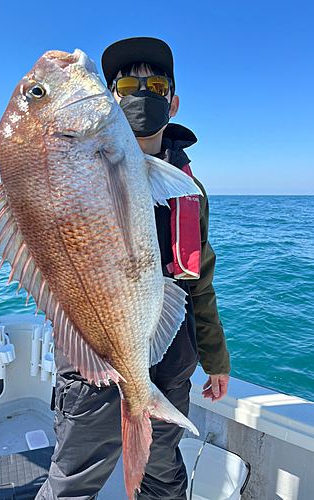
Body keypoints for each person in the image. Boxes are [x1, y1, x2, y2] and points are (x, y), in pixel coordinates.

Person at [36, 37, 230, 500]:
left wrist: (215, 359)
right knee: (73, 478)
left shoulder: (188, 186)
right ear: (109, 97)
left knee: (163, 476)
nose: (142, 92)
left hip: (170, 361)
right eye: (126, 83)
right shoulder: (73, 162)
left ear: (173, 100)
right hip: (93, 357)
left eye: (156, 84)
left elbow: (198, 279)